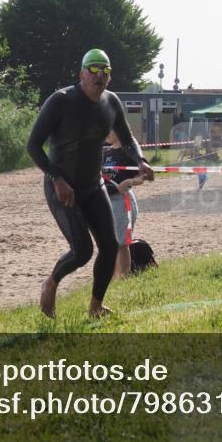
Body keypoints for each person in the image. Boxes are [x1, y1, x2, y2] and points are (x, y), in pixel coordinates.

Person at [27, 49, 155, 318]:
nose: (100, 75)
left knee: (110, 245)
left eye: (105, 71)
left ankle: (96, 307)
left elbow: (127, 138)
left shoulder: (111, 102)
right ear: (81, 74)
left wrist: (141, 160)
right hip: (62, 187)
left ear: (109, 77)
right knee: (83, 251)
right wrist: (56, 178)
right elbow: (34, 145)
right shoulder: (61, 101)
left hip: (93, 186)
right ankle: (51, 282)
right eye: (94, 69)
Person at [102, 131, 146, 278]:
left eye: (110, 129)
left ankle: (124, 278)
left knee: (122, 243)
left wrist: (128, 182)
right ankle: (114, 277)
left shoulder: (129, 152)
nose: (107, 133)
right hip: (107, 201)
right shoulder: (106, 153)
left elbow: (142, 176)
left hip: (122, 200)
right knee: (111, 244)